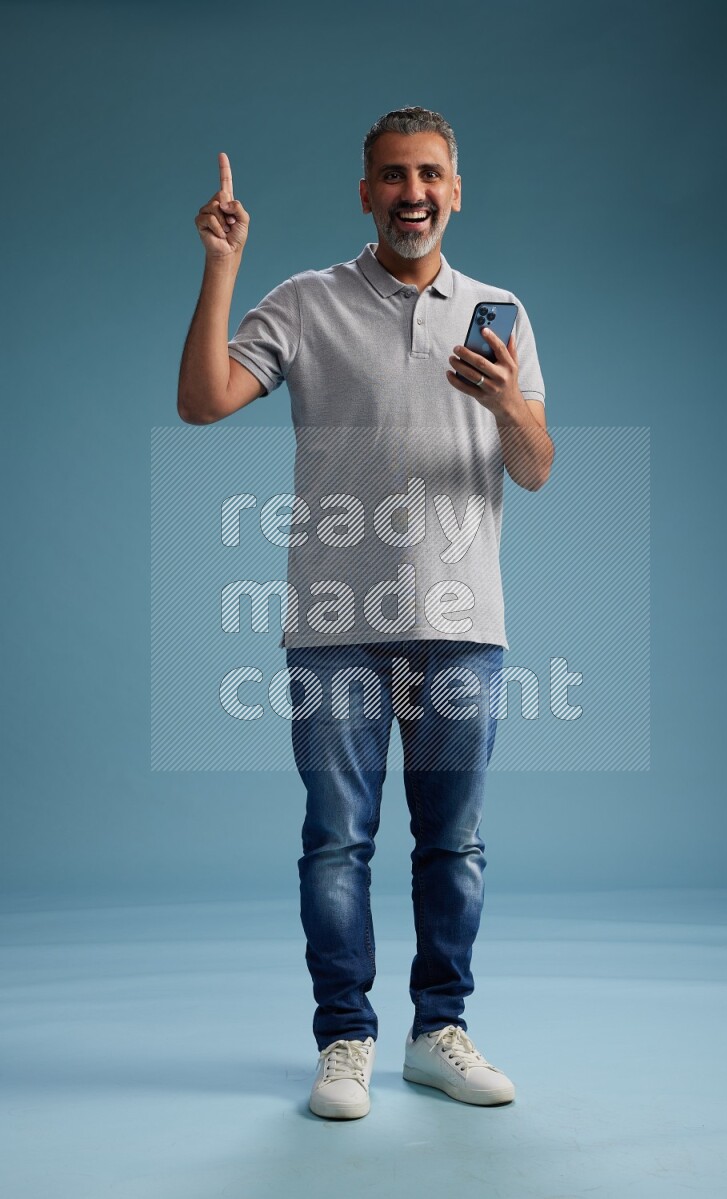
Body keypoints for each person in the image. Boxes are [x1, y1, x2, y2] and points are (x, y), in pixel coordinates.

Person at [178, 106, 554, 1120]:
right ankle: (344, 1038)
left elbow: (533, 468)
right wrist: (222, 263)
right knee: (336, 842)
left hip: (463, 620)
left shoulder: (499, 310)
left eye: (430, 174)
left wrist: (509, 404)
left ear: (455, 189)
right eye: (392, 176)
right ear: (365, 192)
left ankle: (439, 1030)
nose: (412, 192)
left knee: (453, 843)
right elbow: (204, 399)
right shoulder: (305, 301)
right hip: (335, 619)